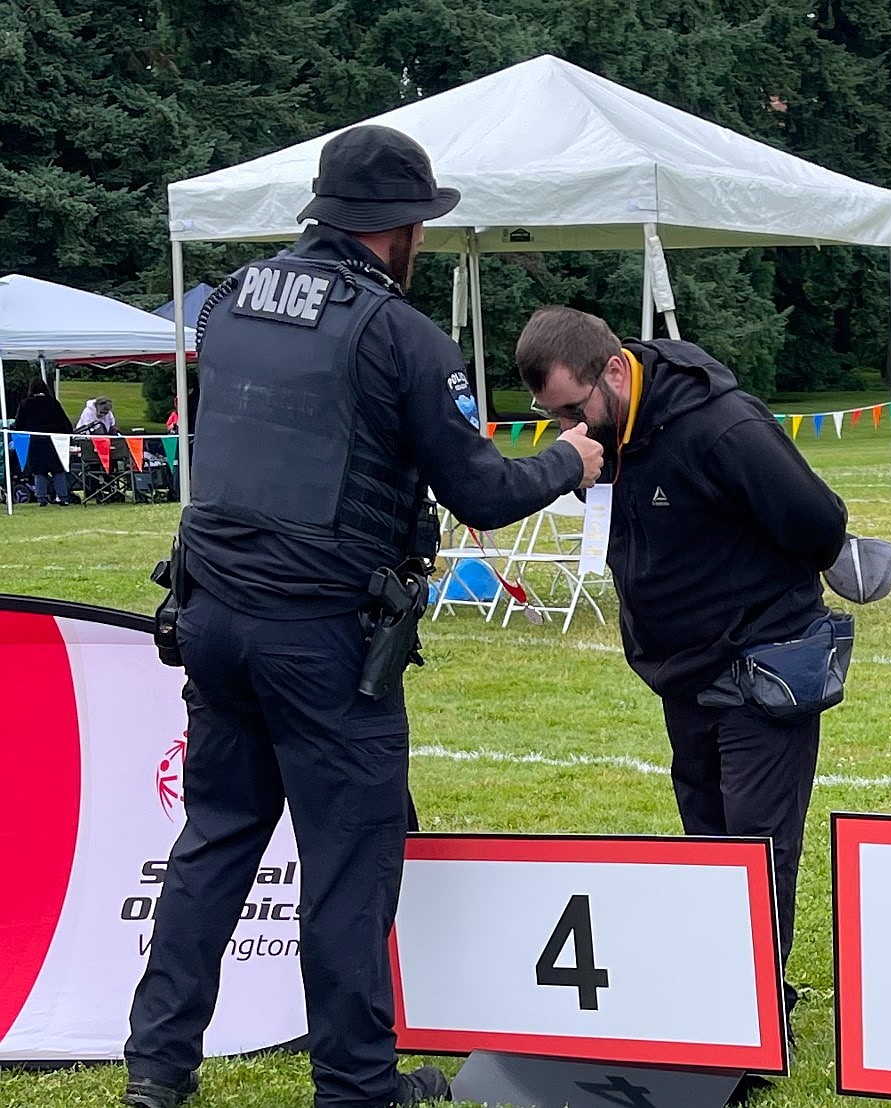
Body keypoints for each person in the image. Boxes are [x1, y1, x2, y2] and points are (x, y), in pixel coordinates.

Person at [122, 126, 603, 1108]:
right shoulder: (399, 334)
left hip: (210, 612)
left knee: (214, 841)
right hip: (322, 638)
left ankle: (157, 1069)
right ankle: (355, 1085)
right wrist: (570, 460)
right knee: (347, 865)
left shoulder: (230, 301)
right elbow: (479, 491)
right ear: (401, 229)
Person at [515, 306, 848, 1037]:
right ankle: (725, 991)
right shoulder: (608, 433)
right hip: (683, 674)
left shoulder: (722, 425)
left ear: (613, 370)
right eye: (552, 416)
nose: (567, 429)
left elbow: (819, 523)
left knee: (755, 844)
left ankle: (753, 1018)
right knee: (707, 838)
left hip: (763, 665)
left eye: (572, 410)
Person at [13, 377, 74, 505]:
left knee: (39, 470)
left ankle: (41, 498)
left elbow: (19, 425)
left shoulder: (25, 404)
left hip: (35, 440)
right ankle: (63, 497)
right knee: (58, 469)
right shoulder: (53, 403)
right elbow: (65, 423)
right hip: (54, 440)